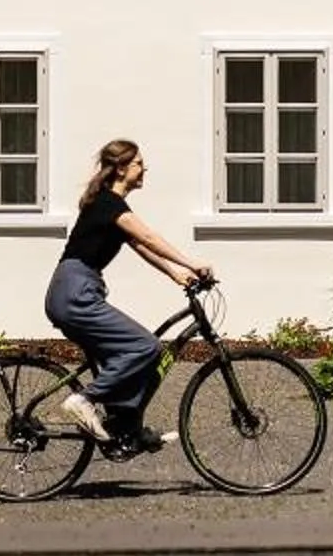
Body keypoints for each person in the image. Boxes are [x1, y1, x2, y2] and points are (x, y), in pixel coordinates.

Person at [47, 138, 212, 453]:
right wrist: (191, 262)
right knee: (145, 347)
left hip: (75, 290)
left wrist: (176, 274)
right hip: (75, 293)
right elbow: (148, 237)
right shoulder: (110, 204)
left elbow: (141, 247)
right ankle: (83, 400)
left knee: (132, 357)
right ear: (121, 168)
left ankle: (127, 429)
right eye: (139, 163)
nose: (144, 169)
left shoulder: (110, 206)